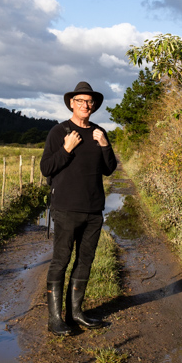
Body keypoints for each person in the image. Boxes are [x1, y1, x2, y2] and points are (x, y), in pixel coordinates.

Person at [40, 81, 117, 335]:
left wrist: (104, 144)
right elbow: (46, 168)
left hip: (93, 210)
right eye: (81, 101)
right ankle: (55, 320)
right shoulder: (58, 132)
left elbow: (109, 169)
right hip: (66, 208)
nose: (86, 105)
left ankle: (75, 314)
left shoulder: (99, 133)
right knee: (61, 260)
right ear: (71, 104)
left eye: (89, 101)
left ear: (94, 106)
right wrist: (66, 148)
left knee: (85, 261)